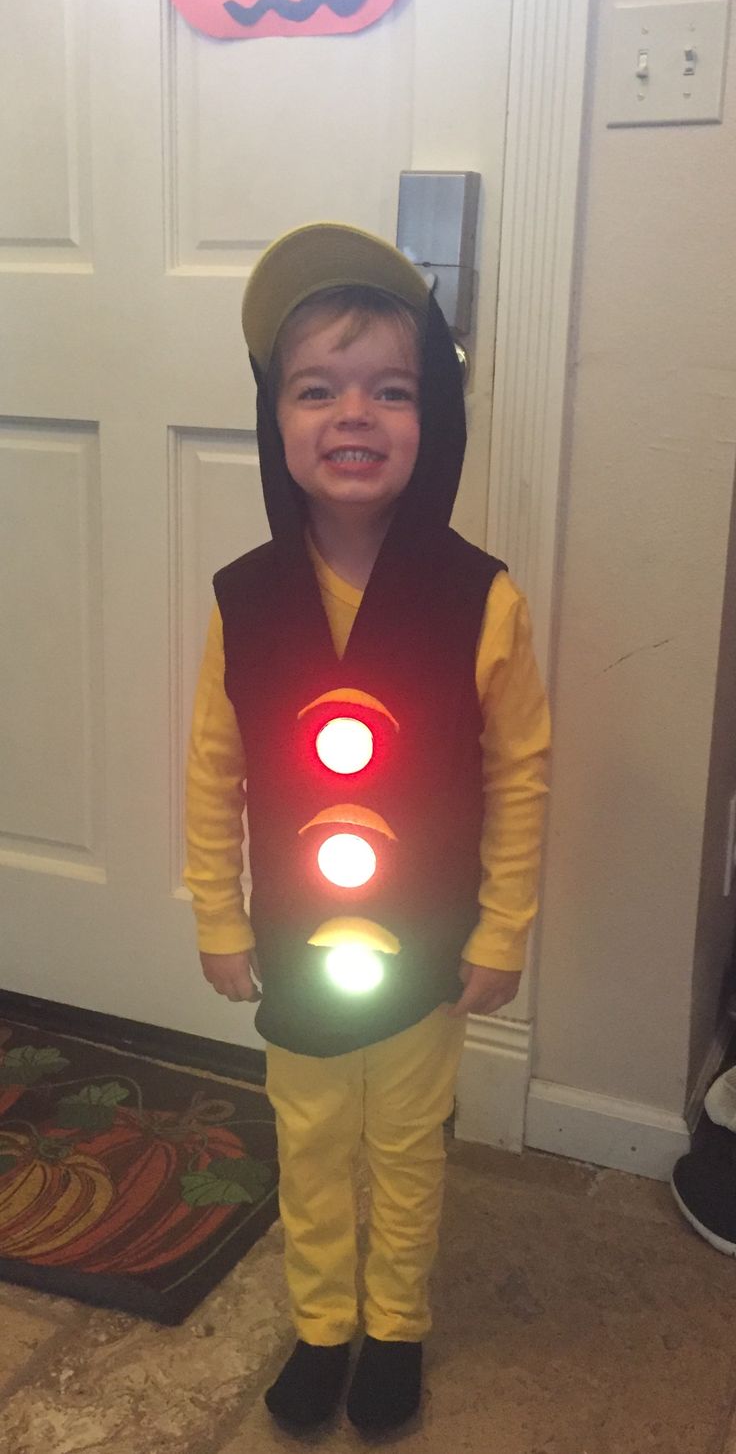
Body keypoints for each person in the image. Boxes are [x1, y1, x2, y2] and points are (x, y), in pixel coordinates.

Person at [185, 223, 550, 1433]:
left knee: (404, 1143)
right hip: (296, 940)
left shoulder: (478, 597)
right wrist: (219, 912)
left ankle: (395, 1327)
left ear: (432, 417)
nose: (355, 414)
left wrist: (501, 927)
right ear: (274, 419)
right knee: (308, 1139)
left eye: (391, 389)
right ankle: (320, 1324)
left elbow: (520, 773)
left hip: (427, 941)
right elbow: (215, 766)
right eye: (318, 387)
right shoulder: (247, 600)